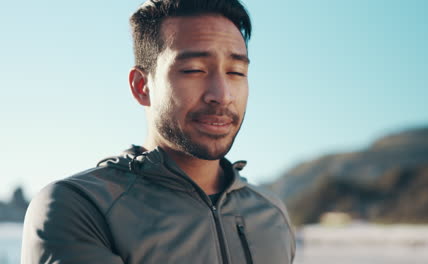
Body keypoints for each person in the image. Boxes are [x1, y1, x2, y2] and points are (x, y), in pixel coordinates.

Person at [21, 0, 296, 263]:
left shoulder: (272, 213)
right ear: (142, 86)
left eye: (236, 72)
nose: (222, 95)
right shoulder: (80, 208)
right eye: (194, 70)